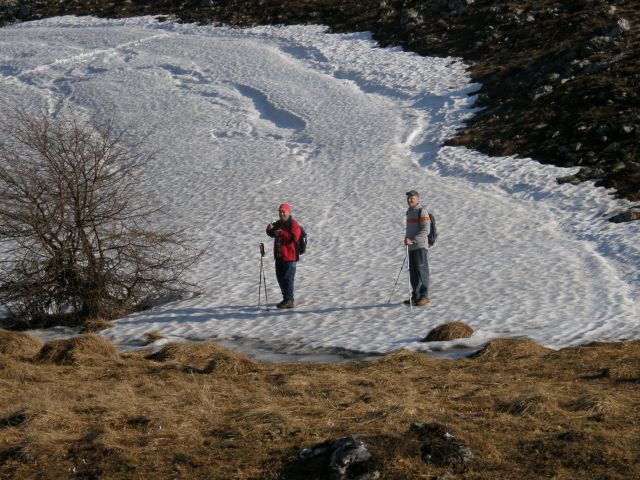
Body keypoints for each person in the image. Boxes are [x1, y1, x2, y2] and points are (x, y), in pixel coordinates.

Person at [266, 203, 301, 309]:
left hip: (290, 257)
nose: (281, 214)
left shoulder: (293, 224)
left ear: (288, 212)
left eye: (283, 212)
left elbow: (294, 237)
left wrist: (281, 233)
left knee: (288, 278)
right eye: (280, 212)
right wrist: (269, 229)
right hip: (279, 256)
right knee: (280, 278)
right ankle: (287, 298)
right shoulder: (279, 223)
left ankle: (289, 300)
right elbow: (272, 234)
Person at [404, 190, 431, 306]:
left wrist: (413, 240)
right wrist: (407, 239)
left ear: (418, 199)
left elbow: (426, 230)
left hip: (419, 246)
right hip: (411, 247)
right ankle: (416, 296)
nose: (410, 199)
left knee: (422, 271)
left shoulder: (422, 212)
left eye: (412, 198)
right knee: (413, 273)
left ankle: (424, 296)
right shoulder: (409, 212)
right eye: (409, 198)